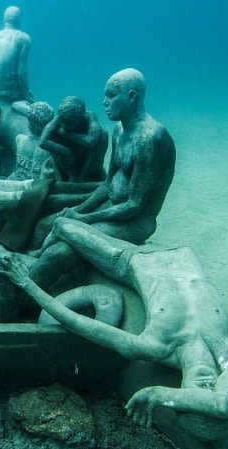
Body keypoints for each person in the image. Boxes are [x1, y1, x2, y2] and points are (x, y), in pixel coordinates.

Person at [0, 218, 228, 428]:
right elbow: (223, 404)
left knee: (62, 225)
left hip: (130, 259)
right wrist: (161, 396)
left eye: (194, 395)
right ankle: (37, 252)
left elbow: (77, 322)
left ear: (182, 389)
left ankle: (31, 256)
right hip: (182, 253)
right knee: (61, 226)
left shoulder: (154, 346)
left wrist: (26, 283)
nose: (205, 386)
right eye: (210, 390)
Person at [29, 68, 176, 287]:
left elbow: (135, 206)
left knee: (61, 251)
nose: (104, 101)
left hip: (135, 222)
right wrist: (77, 211)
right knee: (44, 224)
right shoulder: (119, 130)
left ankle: (26, 296)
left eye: (111, 95)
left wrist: (82, 219)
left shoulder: (149, 139)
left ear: (132, 96)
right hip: (112, 207)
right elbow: (108, 185)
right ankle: (36, 268)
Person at [39, 96, 108, 182]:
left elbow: (91, 141)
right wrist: (65, 151)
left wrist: (65, 133)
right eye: (62, 121)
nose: (64, 126)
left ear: (80, 113)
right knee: (53, 135)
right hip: (67, 159)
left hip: (85, 156)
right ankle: (69, 175)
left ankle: (84, 177)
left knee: (103, 135)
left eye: (68, 121)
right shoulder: (61, 116)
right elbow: (42, 141)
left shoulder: (90, 116)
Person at [0, 6, 35, 103]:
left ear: (3, 20)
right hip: (11, 96)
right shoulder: (23, 38)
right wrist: (28, 95)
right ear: (19, 20)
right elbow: (21, 72)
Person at [8, 101, 55, 181]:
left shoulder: (19, 139)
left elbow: (16, 104)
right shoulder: (51, 148)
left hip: (13, 181)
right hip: (37, 186)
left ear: (29, 122)